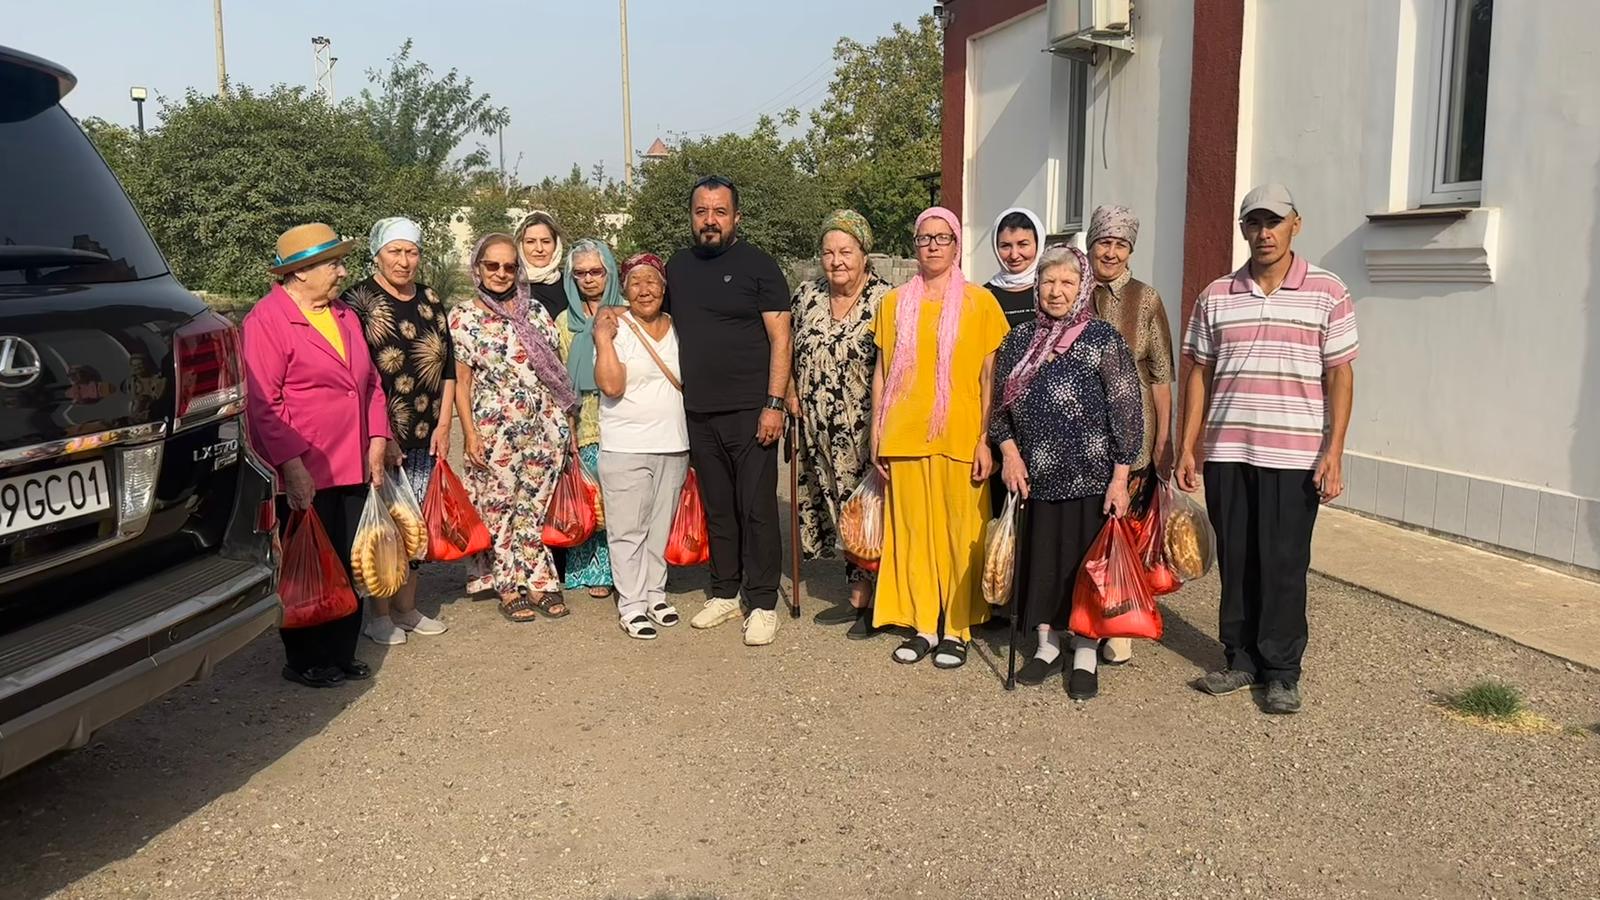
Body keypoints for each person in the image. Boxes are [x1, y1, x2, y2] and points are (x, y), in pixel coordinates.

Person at [1177, 184, 1358, 715]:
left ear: (1295, 225)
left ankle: (1281, 670)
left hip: (1295, 455)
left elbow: (1340, 375)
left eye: (1274, 222)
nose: (1264, 233)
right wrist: (1188, 446)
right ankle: (1239, 659)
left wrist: (1334, 451)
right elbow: (1199, 372)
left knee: (1283, 563)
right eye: (1254, 223)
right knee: (1236, 559)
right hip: (1229, 451)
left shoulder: (1327, 290)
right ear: (1243, 230)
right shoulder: (1216, 295)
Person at [991, 246, 1144, 700]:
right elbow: (998, 410)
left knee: (1084, 569)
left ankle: (1085, 653)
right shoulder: (1019, 340)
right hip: (1035, 478)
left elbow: (1127, 411)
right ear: (1037, 286)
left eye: (1067, 283)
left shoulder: (1102, 338)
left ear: (1083, 288)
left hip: (1090, 478)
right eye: (1048, 282)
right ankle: (1047, 647)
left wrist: (1120, 478)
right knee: (1042, 565)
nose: (1056, 291)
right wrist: (1009, 454)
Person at [242, 223, 391, 688]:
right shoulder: (266, 321)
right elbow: (264, 403)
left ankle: (342, 653)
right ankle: (306, 658)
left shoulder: (343, 314)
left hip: (352, 460)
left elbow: (370, 383)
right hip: (306, 466)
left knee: (348, 557)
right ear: (301, 272)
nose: (342, 272)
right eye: (333, 264)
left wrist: (378, 438)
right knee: (308, 562)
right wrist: (292, 466)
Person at [870, 206, 1008, 669]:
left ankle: (957, 629)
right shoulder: (893, 304)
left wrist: (985, 439)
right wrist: (876, 432)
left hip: (960, 436)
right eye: (924, 238)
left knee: (959, 533)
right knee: (913, 534)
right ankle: (923, 624)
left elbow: (990, 379)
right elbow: (882, 372)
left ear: (956, 245)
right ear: (915, 245)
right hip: (904, 434)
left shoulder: (980, 303)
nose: (932, 245)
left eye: (941, 237)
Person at [667, 176, 792, 647]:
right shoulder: (678, 267)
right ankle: (724, 591)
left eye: (720, 211)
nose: (710, 220)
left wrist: (774, 403)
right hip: (699, 410)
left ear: (736, 217)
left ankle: (761, 602)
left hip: (752, 410)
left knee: (756, 508)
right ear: (692, 217)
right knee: (718, 508)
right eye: (702, 211)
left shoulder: (759, 266)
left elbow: (781, 339)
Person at [449, 234, 580, 623]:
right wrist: (470, 433)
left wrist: (566, 423)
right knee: (499, 507)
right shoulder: (463, 317)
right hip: (495, 427)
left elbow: (554, 369)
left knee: (534, 506)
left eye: (509, 266)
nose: (501, 273)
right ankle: (507, 584)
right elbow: (462, 384)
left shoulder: (534, 311)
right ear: (478, 268)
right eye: (492, 265)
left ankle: (538, 581)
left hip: (544, 425)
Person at [341, 216, 454, 646]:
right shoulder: (357, 302)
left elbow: (447, 365)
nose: (404, 261)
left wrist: (445, 423)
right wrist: (382, 436)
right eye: (395, 252)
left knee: (416, 524)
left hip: (426, 432)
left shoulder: (429, 298)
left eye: (412, 252)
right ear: (377, 255)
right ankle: (380, 615)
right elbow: (357, 376)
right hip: (378, 437)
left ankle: (408, 609)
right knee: (383, 527)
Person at [785, 210, 893, 639]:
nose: (836, 261)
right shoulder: (806, 295)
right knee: (835, 504)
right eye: (828, 252)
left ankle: (878, 598)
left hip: (865, 427)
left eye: (846, 251)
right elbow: (789, 348)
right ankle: (857, 592)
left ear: (864, 254)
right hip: (817, 426)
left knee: (868, 511)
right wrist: (790, 391)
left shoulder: (887, 299)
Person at [1086, 205, 1175, 667]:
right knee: (1086, 525)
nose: (1111, 252)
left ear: (1130, 250)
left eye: (1120, 245)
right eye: (1104, 242)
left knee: (1126, 526)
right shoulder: (1074, 290)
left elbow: (1160, 374)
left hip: (1133, 428)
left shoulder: (1147, 298)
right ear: (1090, 244)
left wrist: (1164, 440)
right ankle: (1083, 616)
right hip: (1081, 432)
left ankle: (1120, 623)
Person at [592, 253, 689, 639]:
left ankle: (655, 593)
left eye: (652, 282)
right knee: (627, 529)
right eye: (635, 282)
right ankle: (631, 604)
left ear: (664, 288)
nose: (644, 290)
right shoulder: (614, 327)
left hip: (674, 443)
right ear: (624, 289)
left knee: (659, 527)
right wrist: (602, 339)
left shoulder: (680, 327)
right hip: (626, 444)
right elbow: (611, 385)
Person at [556, 239, 626, 599]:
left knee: (621, 498)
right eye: (580, 273)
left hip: (622, 414)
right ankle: (590, 571)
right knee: (589, 497)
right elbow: (559, 375)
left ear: (609, 272)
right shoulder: (564, 321)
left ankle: (623, 570)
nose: (588, 279)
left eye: (595, 271)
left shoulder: (627, 313)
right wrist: (567, 423)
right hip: (582, 420)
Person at [983, 207, 1046, 329]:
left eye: (1023, 245)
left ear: (1038, 244)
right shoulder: (985, 295)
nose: (1014, 255)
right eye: (1005, 246)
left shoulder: (1051, 290)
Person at [516, 211, 570, 332]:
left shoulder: (571, 285)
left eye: (546, 241)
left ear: (556, 245)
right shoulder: (510, 286)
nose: (539, 249)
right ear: (520, 245)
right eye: (530, 242)